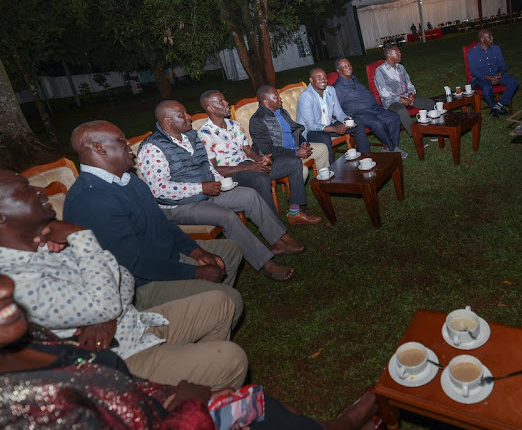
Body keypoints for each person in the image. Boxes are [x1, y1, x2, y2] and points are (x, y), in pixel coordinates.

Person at [0, 273, 381, 429]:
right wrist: (188, 404)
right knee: (257, 401)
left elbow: (122, 275)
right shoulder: (18, 405)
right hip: (176, 416)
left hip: (156, 394)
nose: (5, 286)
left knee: (271, 405)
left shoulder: (33, 338)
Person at [0, 170, 248, 389]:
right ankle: (178, 393)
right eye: (24, 189)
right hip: (118, 356)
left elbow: (123, 276)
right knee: (231, 358)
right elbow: (107, 300)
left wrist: (107, 313)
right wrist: (80, 236)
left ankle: (199, 392)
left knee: (222, 302)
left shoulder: (47, 243)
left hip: (134, 323)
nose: (39, 190)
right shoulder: (13, 279)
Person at [63, 121, 248, 323]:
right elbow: (133, 264)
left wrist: (198, 252)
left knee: (230, 251)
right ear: (99, 148)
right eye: (121, 139)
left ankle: (206, 314)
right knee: (231, 300)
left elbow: (163, 224)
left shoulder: (127, 180)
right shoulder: (91, 200)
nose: (128, 143)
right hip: (142, 285)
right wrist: (196, 272)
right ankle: (207, 312)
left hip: (164, 258)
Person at [136, 102, 303, 281]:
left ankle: (278, 240)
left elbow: (207, 166)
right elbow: (158, 189)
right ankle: (265, 263)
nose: (189, 117)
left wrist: (219, 181)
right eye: (182, 115)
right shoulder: (152, 148)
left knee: (249, 195)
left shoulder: (190, 136)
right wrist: (200, 187)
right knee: (227, 217)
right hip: (179, 205)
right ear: (167, 121)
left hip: (206, 191)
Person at [198, 90, 322, 225]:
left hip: (251, 165)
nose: (226, 103)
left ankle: (295, 213)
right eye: (221, 101)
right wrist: (249, 167)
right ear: (210, 108)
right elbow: (215, 169)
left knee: (294, 163)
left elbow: (248, 151)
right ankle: (274, 224)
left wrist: (262, 160)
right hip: (232, 174)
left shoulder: (235, 125)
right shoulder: (204, 134)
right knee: (261, 178)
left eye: (224, 99)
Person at [333, 58, 407, 158]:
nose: (349, 68)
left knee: (394, 118)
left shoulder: (354, 79)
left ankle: (390, 148)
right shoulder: (337, 88)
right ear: (338, 70)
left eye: (349, 65)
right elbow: (337, 107)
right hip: (359, 114)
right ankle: (393, 149)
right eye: (344, 67)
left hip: (374, 108)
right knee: (377, 124)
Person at [248, 85, 330, 176]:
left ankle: (324, 181)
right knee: (303, 170)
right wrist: (295, 153)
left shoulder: (282, 112)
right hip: (278, 157)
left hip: (295, 149)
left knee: (322, 149)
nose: (280, 99)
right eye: (276, 97)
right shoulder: (258, 120)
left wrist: (303, 144)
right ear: (266, 101)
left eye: (279, 96)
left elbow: (295, 131)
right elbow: (268, 150)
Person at [297, 67, 370, 164]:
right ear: (311, 80)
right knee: (324, 138)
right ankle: (332, 170)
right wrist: (334, 129)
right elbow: (311, 125)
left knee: (358, 122)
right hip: (312, 132)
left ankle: (366, 158)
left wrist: (347, 120)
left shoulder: (330, 90)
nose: (323, 80)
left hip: (329, 126)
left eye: (324, 77)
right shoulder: (306, 97)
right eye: (319, 77)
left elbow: (338, 113)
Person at [374, 45, 434, 136]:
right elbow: (384, 93)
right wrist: (400, 99)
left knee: (430, 103)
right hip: (391, 102)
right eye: (397, 53)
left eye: (400, 52)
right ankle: (417, 137)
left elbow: (409, 84)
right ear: (389, 55)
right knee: (402, 111)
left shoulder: (401, 68)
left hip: (406, 97)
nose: (400, 54)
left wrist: (411, 93)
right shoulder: (380, 71)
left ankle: (433, 132)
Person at [466, 29, 519, 117]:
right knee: (486, 88)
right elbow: (474, 71)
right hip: (482, 78)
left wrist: (500, 74)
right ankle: (494, 106)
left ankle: (498, 106)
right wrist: (489, 78)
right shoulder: (472, 52)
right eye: (489, 37)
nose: (492, 38)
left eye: (492, 36)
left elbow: (503, 66)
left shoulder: (496, 48)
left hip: (497, 75)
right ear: (482, 39)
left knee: (514, 81)